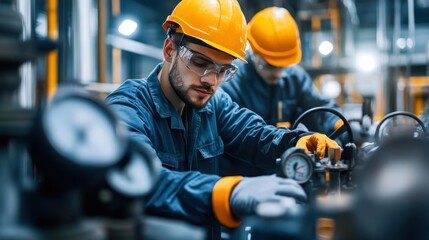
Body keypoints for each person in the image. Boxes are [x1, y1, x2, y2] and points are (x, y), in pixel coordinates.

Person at [105, 1, 339, 239]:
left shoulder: (213, 104)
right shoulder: (127, 108)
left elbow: (254, 134)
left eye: (223, 70)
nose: (211, 80)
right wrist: (227, 193)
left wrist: (298, 143)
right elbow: (140, 179)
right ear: (169, 50)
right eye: (199, 63)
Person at [219, 7, 344, 176]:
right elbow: (243, 133)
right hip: (241, 175)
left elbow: (319, 108)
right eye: (270, 66)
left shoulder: (294, 77)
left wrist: (341, 124)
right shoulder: (230, 82)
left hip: (288, 170)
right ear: (254, 53)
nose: (278, 74)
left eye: (283, 66)